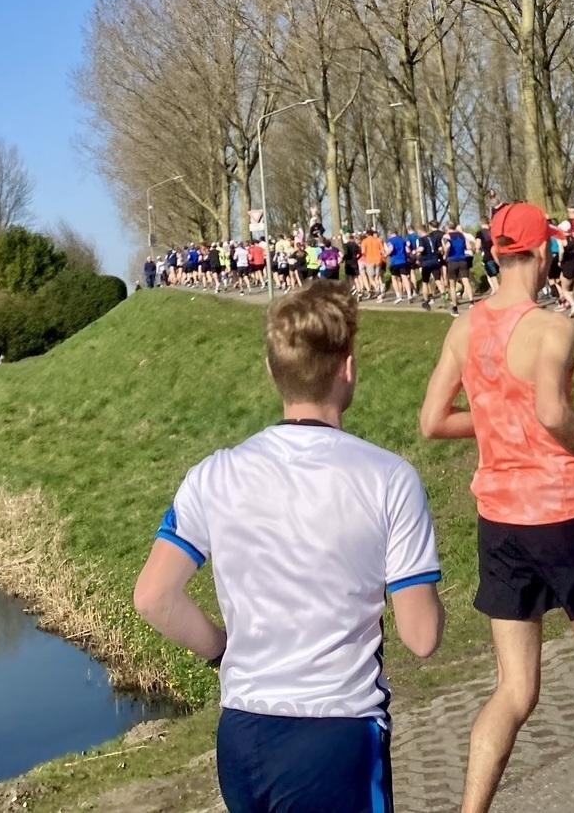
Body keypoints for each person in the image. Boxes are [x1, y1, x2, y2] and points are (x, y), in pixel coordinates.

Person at [134, 281, 446, 813]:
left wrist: (221, 651)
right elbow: (422, 637)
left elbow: (154, 597)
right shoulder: (389, 478)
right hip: (337, 732)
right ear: (348, 369)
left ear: (271, 369)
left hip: (242, 733)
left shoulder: (215, 474)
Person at [419, 201, 574, 813]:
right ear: (542, 253)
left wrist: (491, 419)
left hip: (500, 523)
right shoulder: (552, 327)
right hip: (562, 515)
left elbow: (433, 421)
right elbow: (551, 411)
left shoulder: (463, 326)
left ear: (494, 252)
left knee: (514, 689)